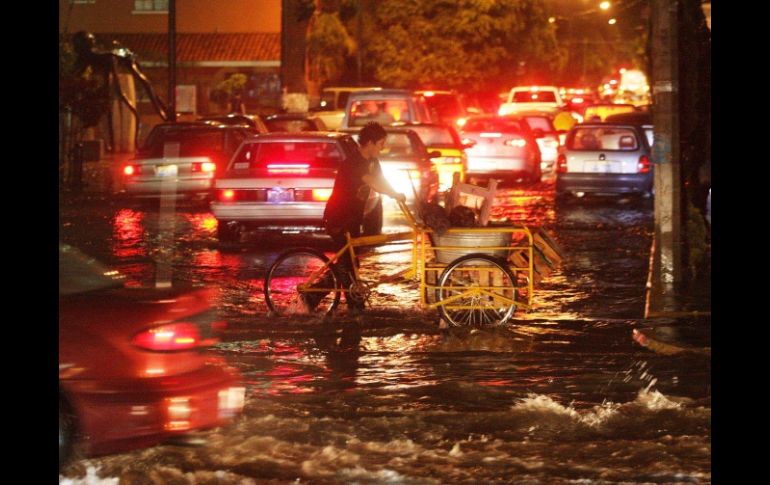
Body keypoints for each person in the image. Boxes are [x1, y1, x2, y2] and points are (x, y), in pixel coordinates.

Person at [313, 122, 406, 313]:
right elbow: (371, 181)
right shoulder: (353, 162)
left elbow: (381, 179)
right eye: (381, 144)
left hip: (354, 219)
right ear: (370, 143)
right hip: (338, 218)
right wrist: (393, 194)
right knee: (348, 264)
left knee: (350, 263)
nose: (382, 148)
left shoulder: (373, 162)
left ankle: (314, 296)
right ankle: (355, 307)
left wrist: (396, 193)